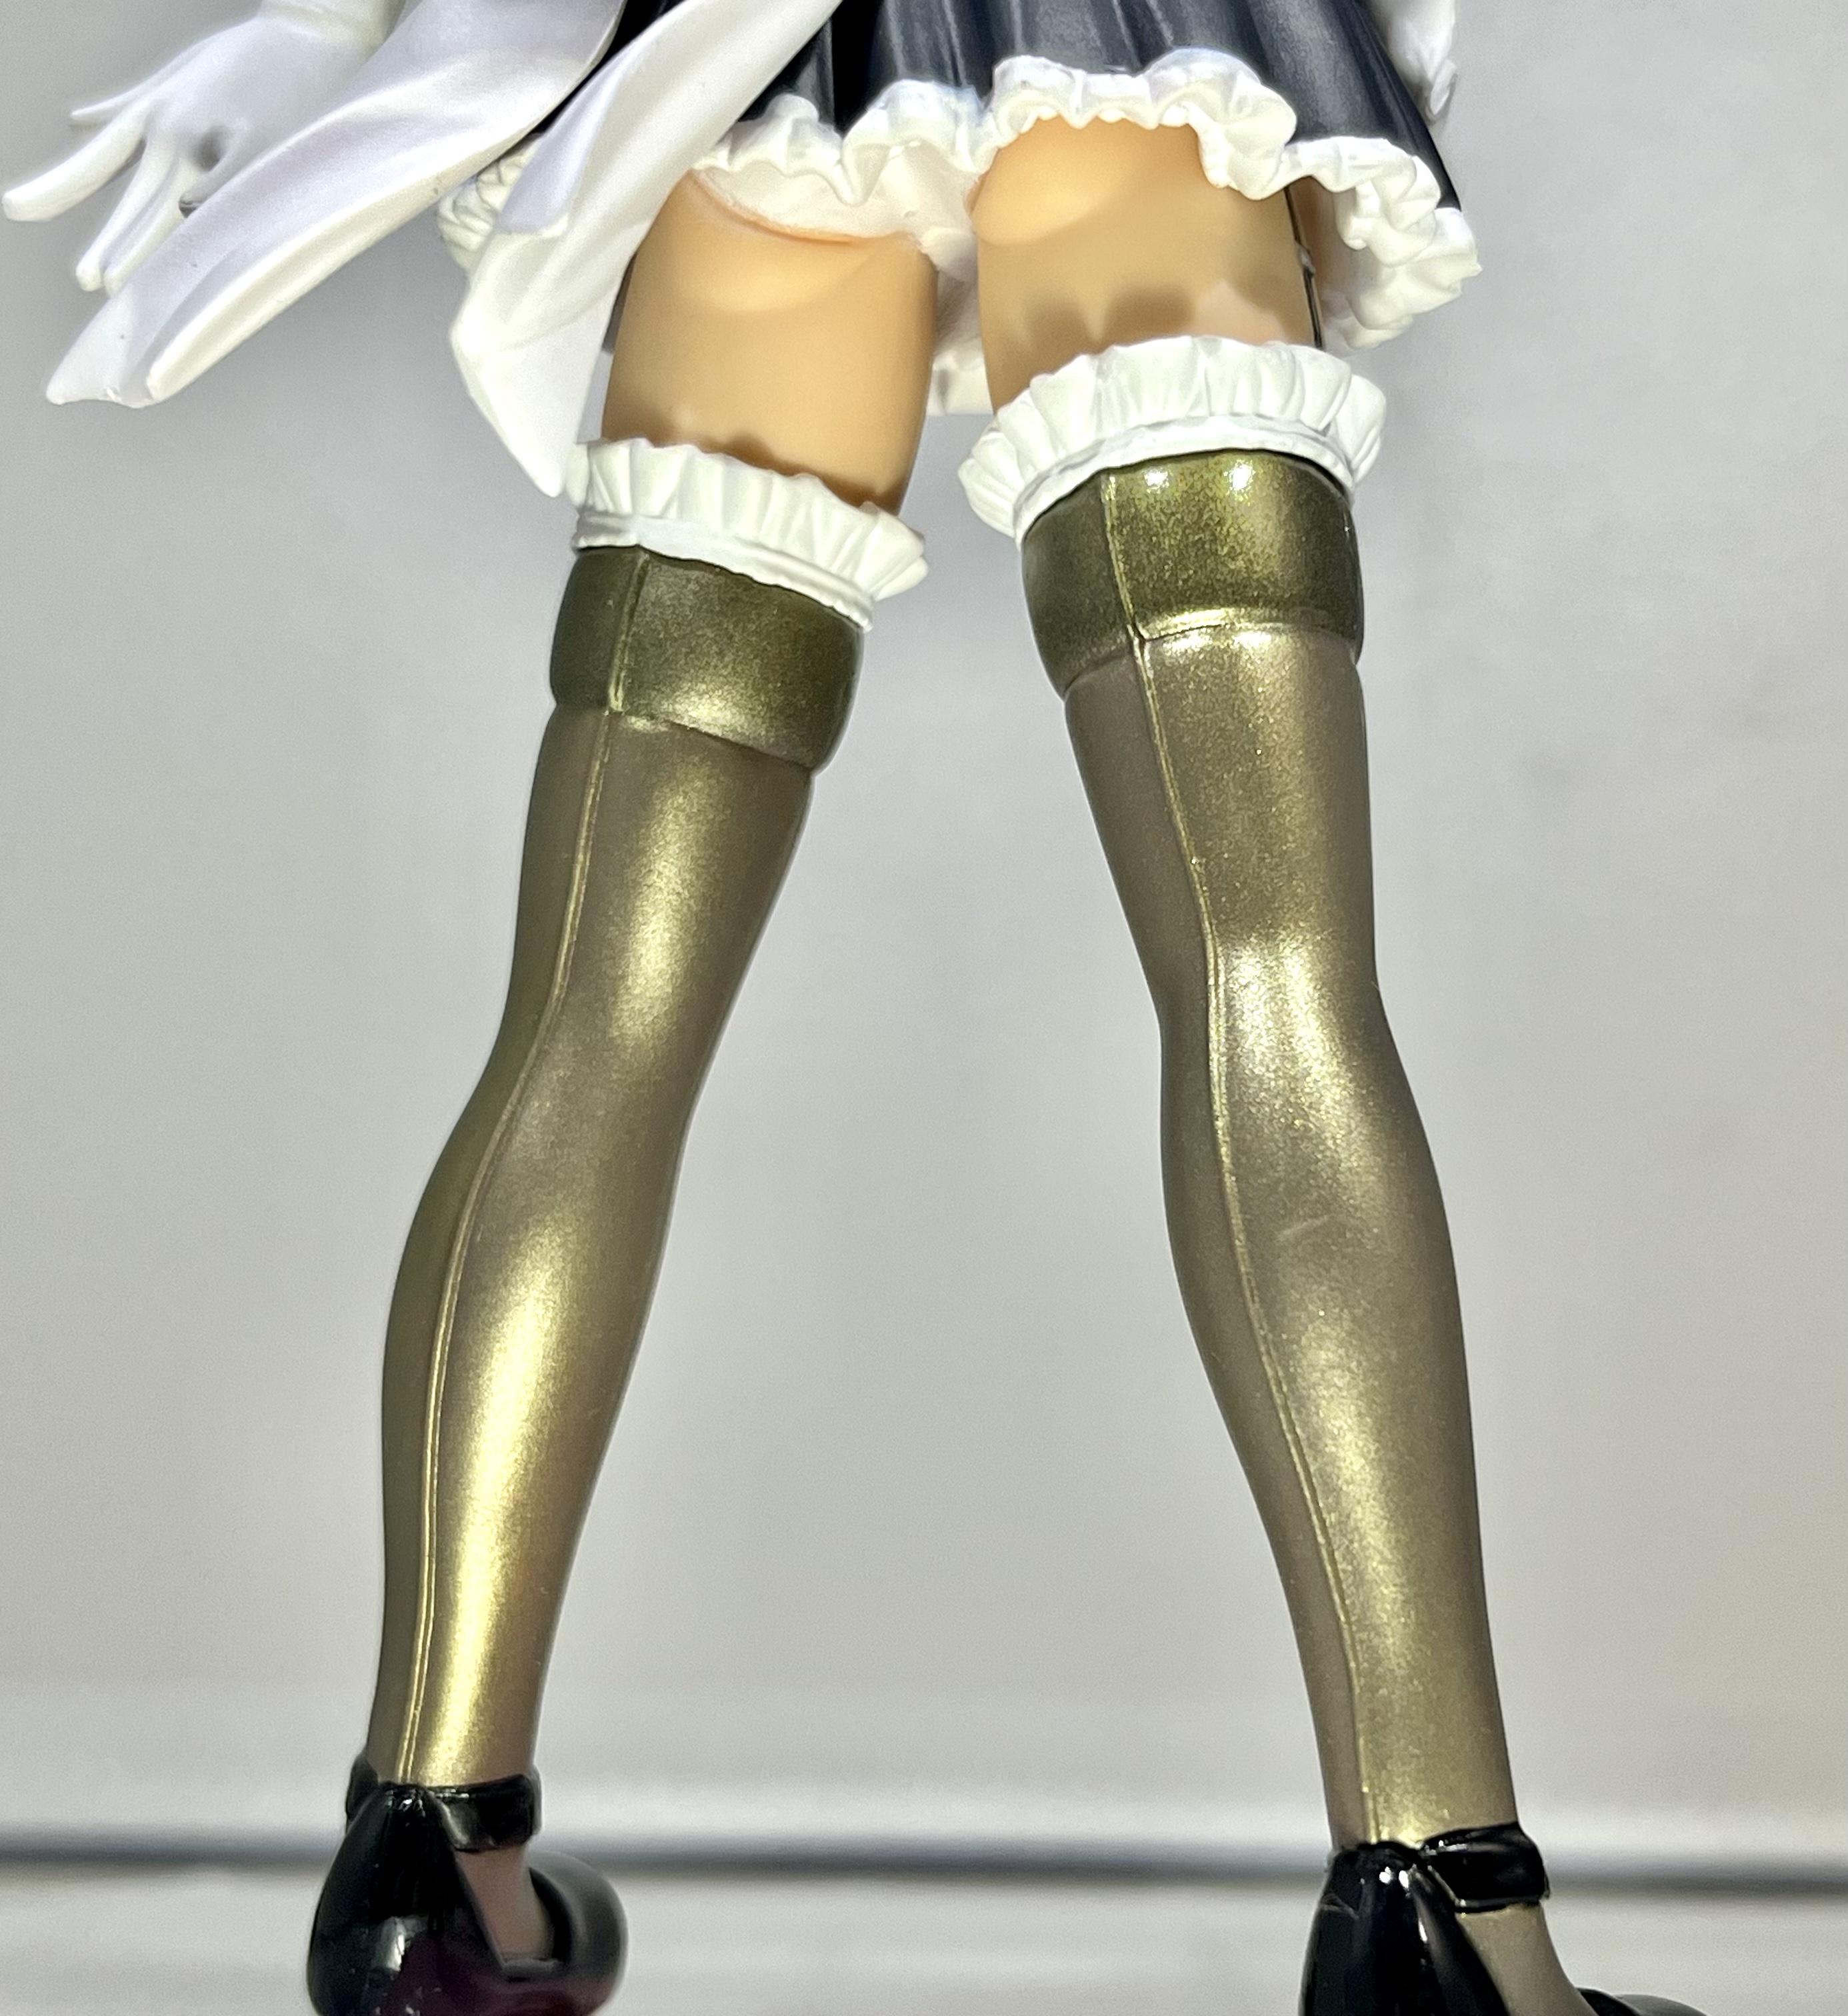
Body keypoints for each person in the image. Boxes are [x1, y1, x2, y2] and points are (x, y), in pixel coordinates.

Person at [5, 5, 1705, 2015]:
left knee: (591, 1023)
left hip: (764, 89)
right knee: (1269, 975)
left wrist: (329, 21)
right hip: (1124, 62)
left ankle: (432, 1860)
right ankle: (1447, 1906)